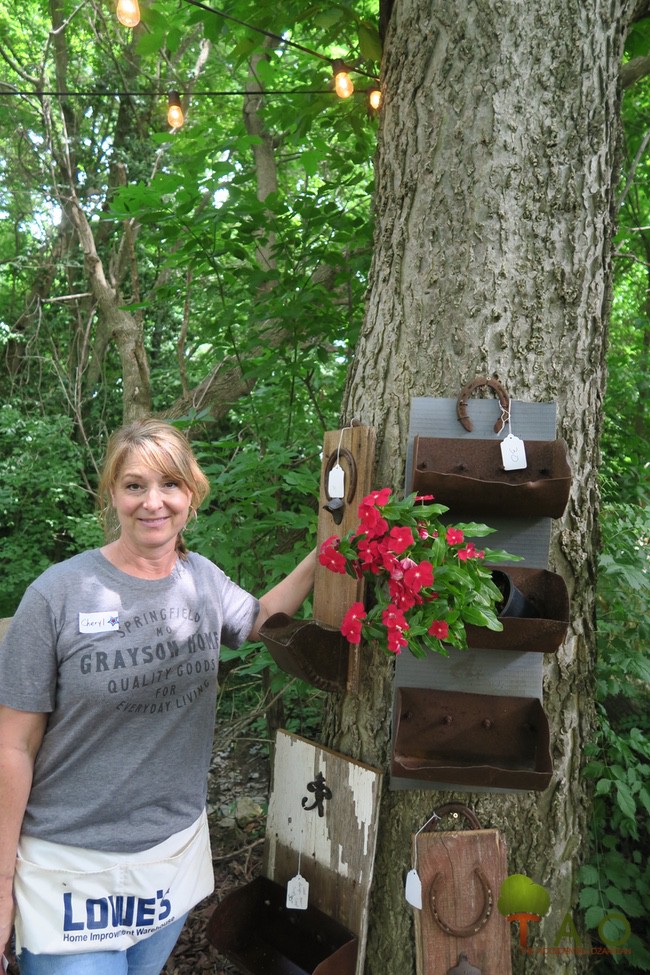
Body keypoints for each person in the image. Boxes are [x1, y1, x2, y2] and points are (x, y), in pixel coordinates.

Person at [0, 418, 317, 975]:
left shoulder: (204, 581)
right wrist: (1, 885)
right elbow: (13, 747)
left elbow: (263, 619)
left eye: (169, 485)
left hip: (168, 862)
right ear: (112, 496)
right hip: (68, 868)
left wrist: (327, 555)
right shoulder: (57, 595)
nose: (153, 502)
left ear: (191, 495)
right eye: (134, 485)